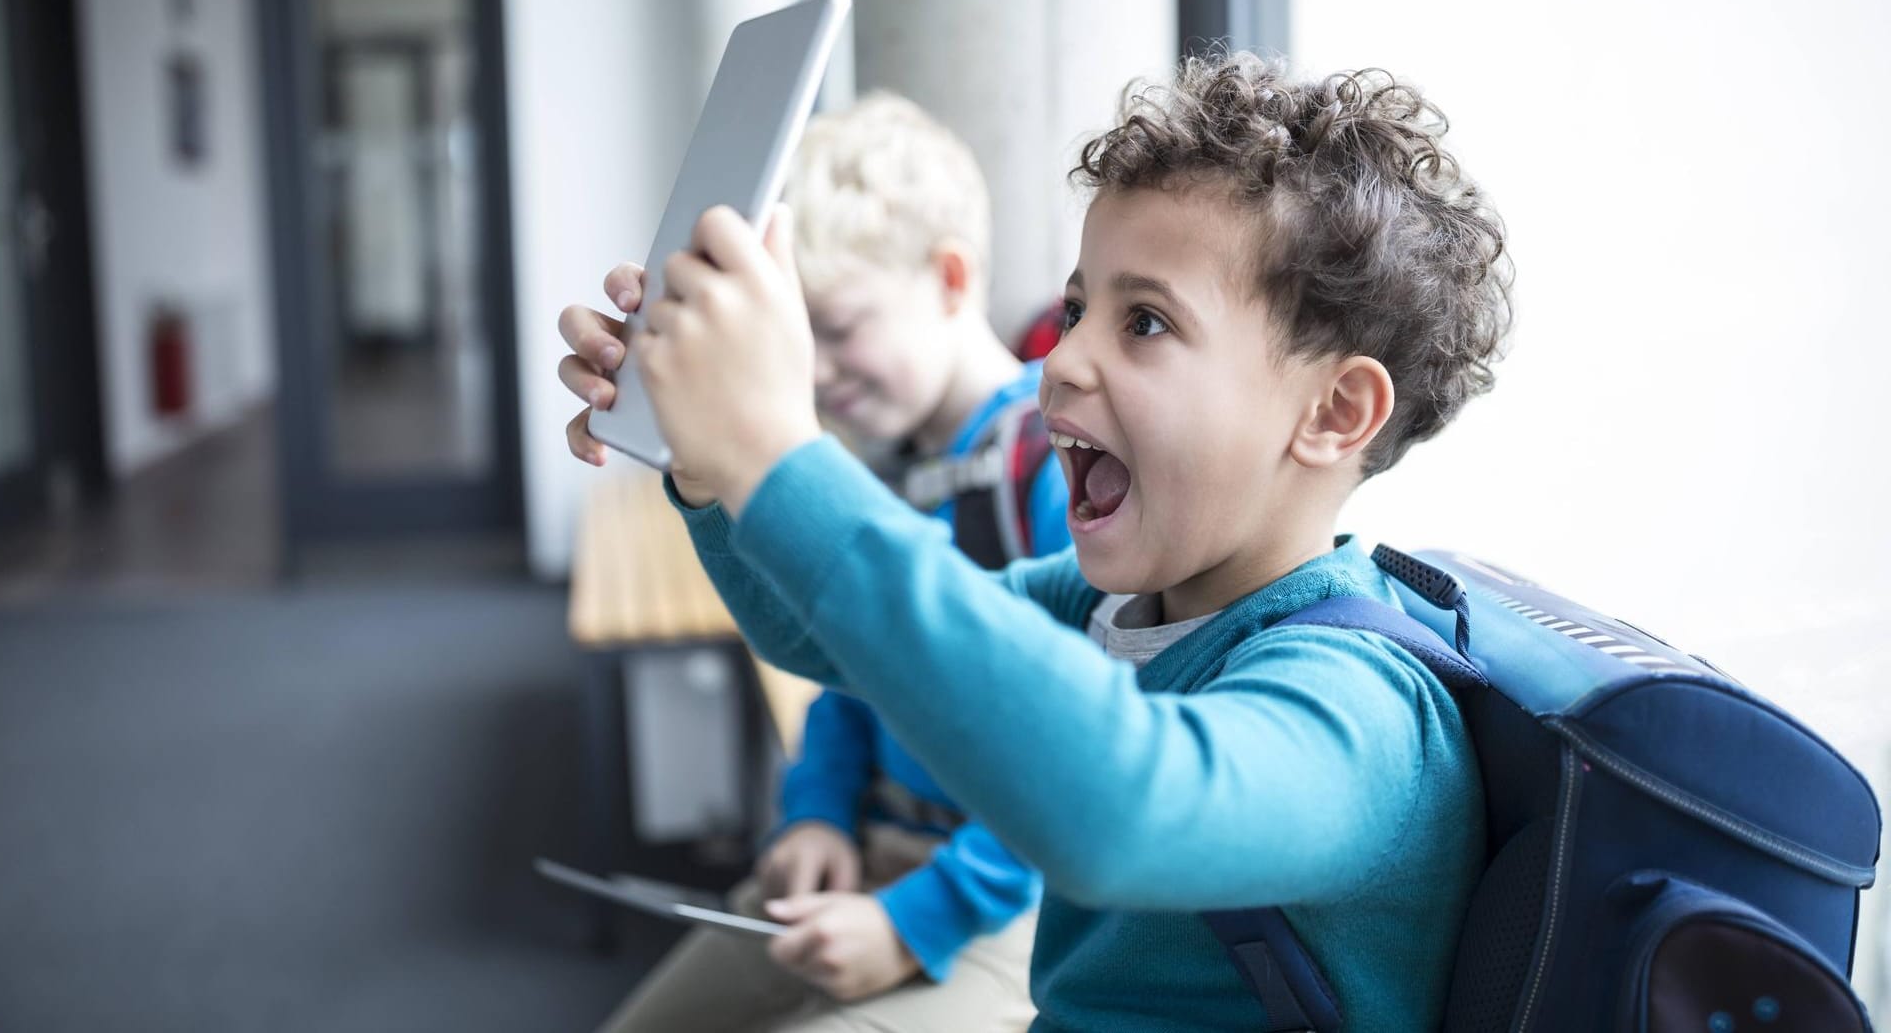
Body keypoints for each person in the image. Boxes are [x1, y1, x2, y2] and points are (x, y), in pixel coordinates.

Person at [560, 53, 1514, 1030]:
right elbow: (820, 639)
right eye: (1074, 310)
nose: (1061, 360)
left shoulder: (1363, 705)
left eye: (1143, 321)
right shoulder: (1113, 605)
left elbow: (1121, 811)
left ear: (1336, 411)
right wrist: (713, 471)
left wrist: (778, 451)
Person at [590, 92, 1069, 1033]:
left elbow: (1071, 758)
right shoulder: (871, 466)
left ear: (949, 279)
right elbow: (851, 677)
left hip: (1011, 900)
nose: (815, 372)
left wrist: (910, 920)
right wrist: (812, 815)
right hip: (874, 848)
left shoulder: (1050, 474)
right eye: (801, 340)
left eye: (840, 326)